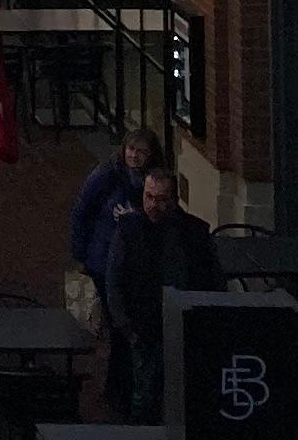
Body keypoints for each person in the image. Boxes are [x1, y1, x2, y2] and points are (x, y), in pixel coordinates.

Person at [104, 161, 219, 423]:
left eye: (161, 199)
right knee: (145, 398)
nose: (153, 205)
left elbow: (212, 279)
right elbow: (114, 280)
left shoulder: (195, 232)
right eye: (148, 197)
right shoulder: (128, 230)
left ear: (174, 200)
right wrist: (127, 327)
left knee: (187, 397)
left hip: (185, 327)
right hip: (145, 328)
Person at [69, 128, 161, 414]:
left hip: (136, 266)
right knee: (120, 324)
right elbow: (82, 212)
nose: (134, 155)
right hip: (102, 261)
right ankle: (120, 389)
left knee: (127, 327)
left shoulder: (151, 183)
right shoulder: (106, 175)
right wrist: (81, 255)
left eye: (141, 151)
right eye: (131, 149)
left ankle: (122, 386)